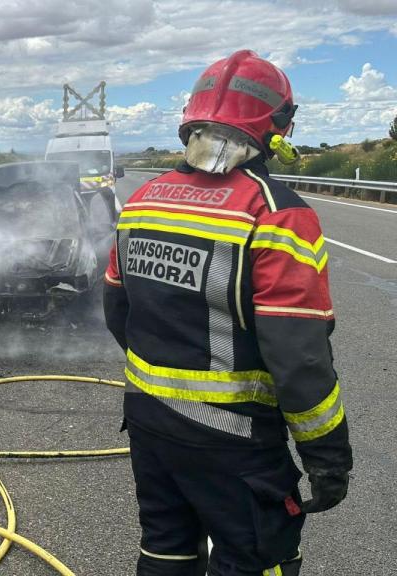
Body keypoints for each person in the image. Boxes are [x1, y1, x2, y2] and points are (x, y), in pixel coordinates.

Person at [103, 50, 352, 576]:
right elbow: (298, 358)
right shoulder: (277, 213)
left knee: (166, 550)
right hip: (235, 440)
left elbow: (116, 308)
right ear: (277, 126)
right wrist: (326, 457)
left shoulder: (144, 200)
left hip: (150, 424)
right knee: (260, 558)